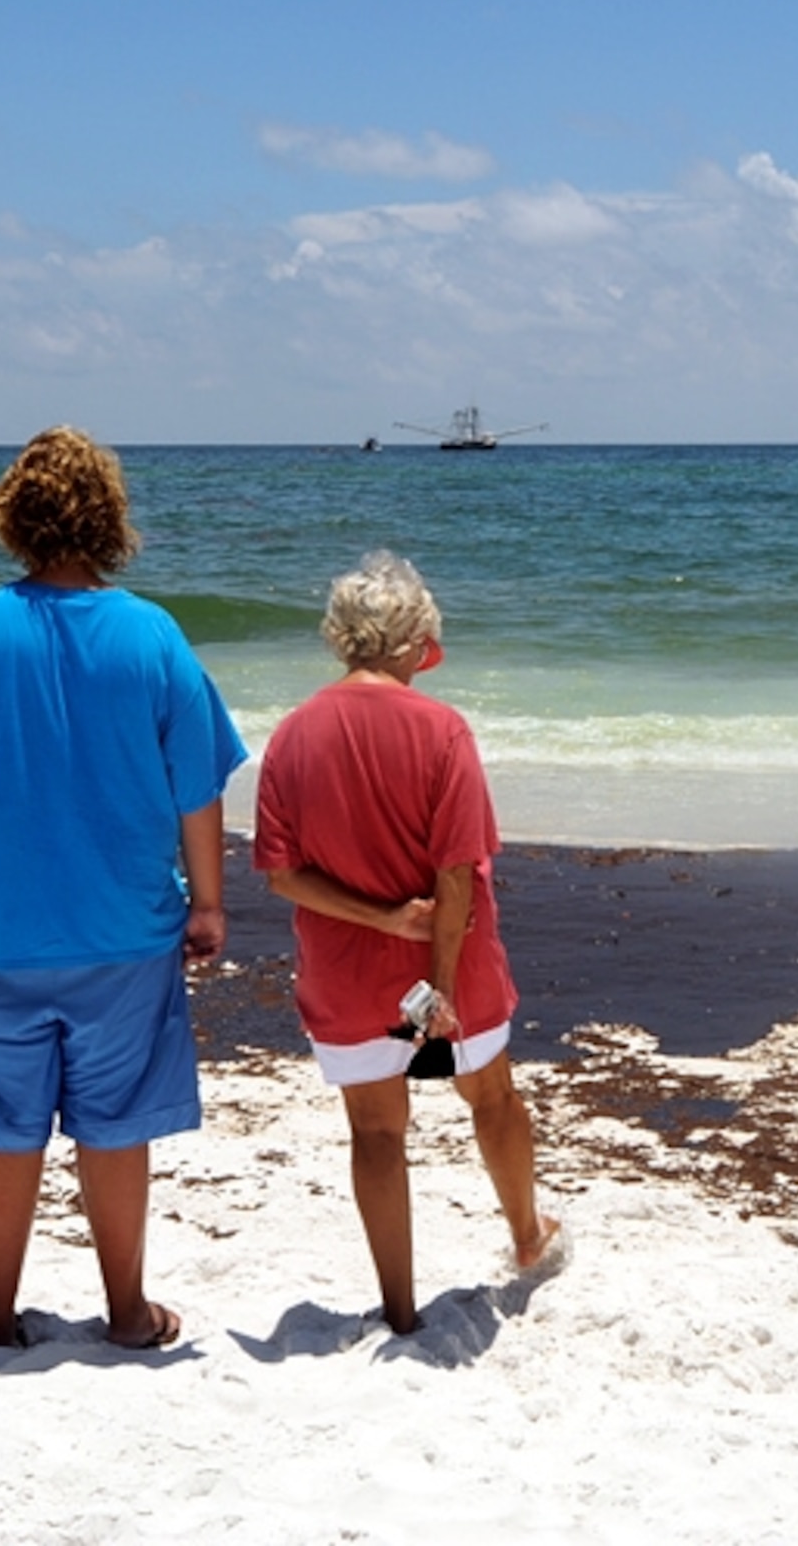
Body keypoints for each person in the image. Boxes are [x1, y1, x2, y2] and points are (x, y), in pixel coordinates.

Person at [0, 426, 246, 1352]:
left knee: (3, 1131)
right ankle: (128, 1311)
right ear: (109, 519)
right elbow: (198, 786)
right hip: (123, 929)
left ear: (14, 519)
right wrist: (207, 902)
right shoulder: (150, 634)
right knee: (115, 1125)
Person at [253, 550, 563, 1336]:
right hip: (447, 965)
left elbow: (283, 876)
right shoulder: (441, 729)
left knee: (376, 1131)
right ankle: (528, 1239)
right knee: (491, 1098)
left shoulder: (291, 735)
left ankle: (397, 1309)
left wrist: (380, 919)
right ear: (410, 638)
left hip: (346, 970)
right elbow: (456, 873)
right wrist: (442, 983)